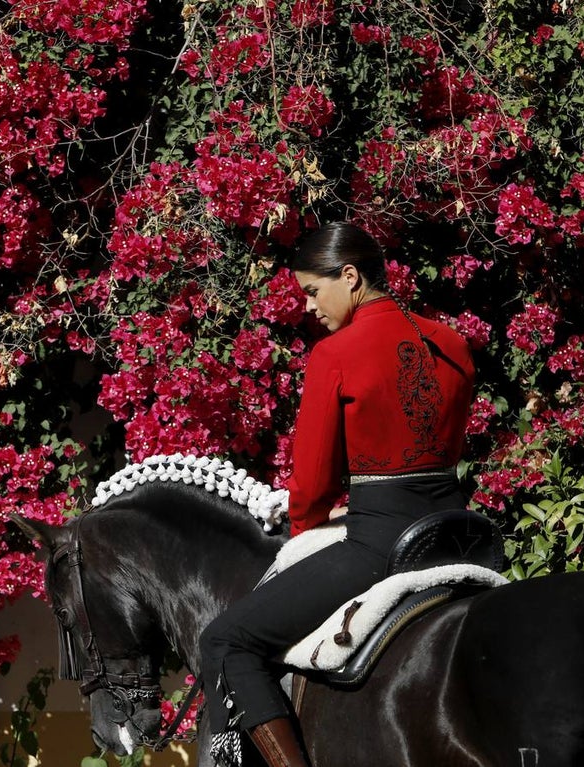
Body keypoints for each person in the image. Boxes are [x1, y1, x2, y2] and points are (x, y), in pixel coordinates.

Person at [198, 222, 475, 767]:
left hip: (380, 542)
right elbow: (449, 441)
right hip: (458, 533)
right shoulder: (451, 343)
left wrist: (303, 536)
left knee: (225, 642)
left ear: (350, 278)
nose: (308, 306)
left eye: (311, 290)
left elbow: (314, 481)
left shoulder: (335, 353)